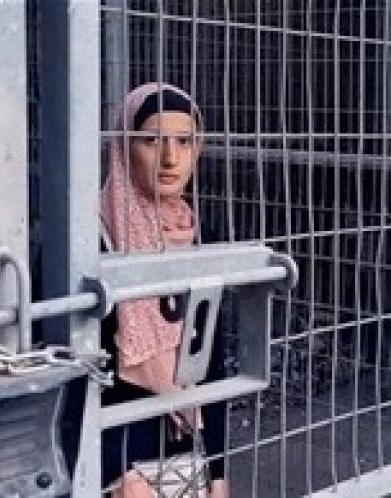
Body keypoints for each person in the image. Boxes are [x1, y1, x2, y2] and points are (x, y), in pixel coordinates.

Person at [99, 82, 229, 498]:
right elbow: (75, 371)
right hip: (115, 457)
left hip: (186, 454)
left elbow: (212, 363)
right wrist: (114, 473)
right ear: (123, 148)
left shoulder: (198, 237)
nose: (172, 158)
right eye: (152, 140)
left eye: (184, 141)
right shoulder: (95, 240)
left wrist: (219, 470)